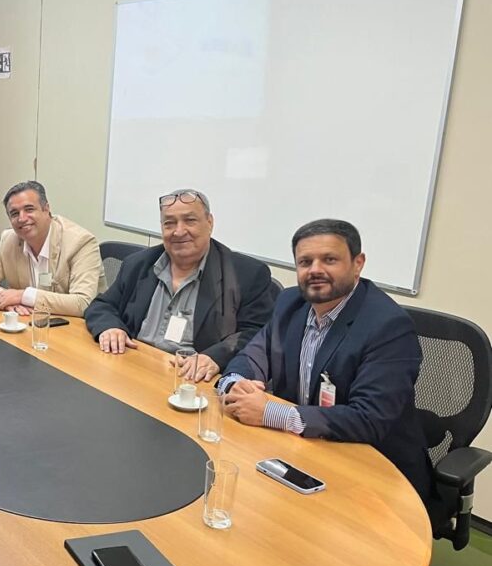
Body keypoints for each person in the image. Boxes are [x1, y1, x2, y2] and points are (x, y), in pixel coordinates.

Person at [219, 219, 436, 506]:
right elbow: (252, 356)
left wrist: (269, 413)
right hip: (301, 452)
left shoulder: (388, 326)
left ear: (358, 264)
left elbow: (369, 418)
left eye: (329, 259)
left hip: (372, 473)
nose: (315, 270)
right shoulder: (290, 303)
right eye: (305, 262)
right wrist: (234, 385)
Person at [84, 190, 275, 380]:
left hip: (191, 379)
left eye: (190, 220)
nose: (179, 231)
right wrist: (110, 327)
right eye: (169, 223)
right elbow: (102, 305)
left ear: (209, 223)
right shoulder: (139, 264)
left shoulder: (246, 274)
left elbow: (257, 334)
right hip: (132, 367)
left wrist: (215, 357)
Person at [0, 180, 106, 318]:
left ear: (46, 209)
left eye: (29, 209)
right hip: (28, 322)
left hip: (74, 327)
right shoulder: (9, 240)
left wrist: (23, 296)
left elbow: (82, 303)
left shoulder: (80, 242)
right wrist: (2, 297)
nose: (22, 218)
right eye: (14, 213)